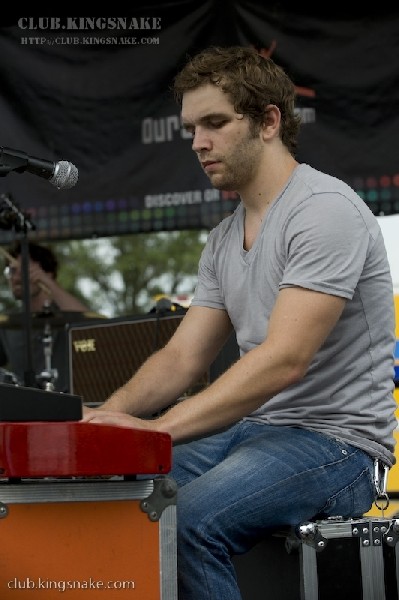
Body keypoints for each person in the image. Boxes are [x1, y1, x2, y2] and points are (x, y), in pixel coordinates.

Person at [82, 46, 397, 599]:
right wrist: (107, 419)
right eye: (191, 128)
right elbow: (183, 357)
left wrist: (156, 431)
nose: (199, 143)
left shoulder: (323, 210)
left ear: (270, 121)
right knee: (117, 490)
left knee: (190, 520)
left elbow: (283, 360)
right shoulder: (225, 237)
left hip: (339, 446)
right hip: (254, 435)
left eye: (216, 123)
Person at [0, 240, 89, 391]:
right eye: (11, 271)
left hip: (70, 403)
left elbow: (89, 324)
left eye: (24, 270)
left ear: (48, 273)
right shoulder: (7, 323)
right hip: (22, 405)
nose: (15, 278)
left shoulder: (66, 315)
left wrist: (47, 282)